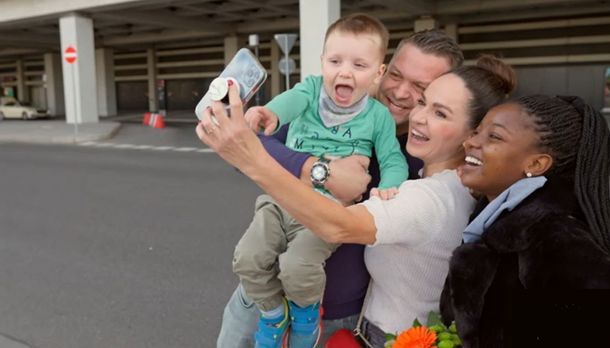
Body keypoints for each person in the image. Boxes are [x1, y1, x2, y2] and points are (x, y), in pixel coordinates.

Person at [197, 55, 516, 347]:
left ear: (471, 133)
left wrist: (258, 160)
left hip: (355, 322)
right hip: (273, 291)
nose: (406, 98)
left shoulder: (424, 185)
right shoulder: (335, 111)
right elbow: (253, 146)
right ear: (382, 70)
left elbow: (338, 226)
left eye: (434, 105)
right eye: (423, 100)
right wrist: (317, 170)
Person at [233, 13, 409, 348]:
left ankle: (306, 316)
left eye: (359, 64)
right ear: (322, 63)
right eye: (335, 61)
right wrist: (269, 112)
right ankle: (273, 314)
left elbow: (391, 159)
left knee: (298, 265)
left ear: (378, 73)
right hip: (280, 200)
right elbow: (288, 103)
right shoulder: (311, 90)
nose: (344, 71)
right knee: (248, 257)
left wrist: (391, 184)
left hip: (325, 210)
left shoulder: (377, 116)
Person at [439, 95, 610, 348]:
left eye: (495, 137)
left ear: (536, 164)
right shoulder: (492, 219)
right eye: (477, 131)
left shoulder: (554, 237)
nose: (470, 142)